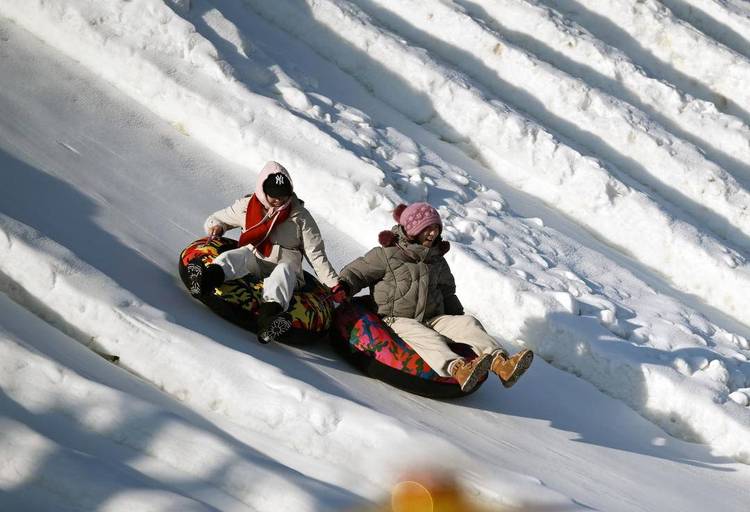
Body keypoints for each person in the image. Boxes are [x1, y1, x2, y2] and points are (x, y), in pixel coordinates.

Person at [335, 202, 533, 392]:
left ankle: (502, 364)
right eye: (427, 228)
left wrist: (457, 319)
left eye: (436, 228)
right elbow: (357, 272)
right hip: (396, 319)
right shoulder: (386, 255)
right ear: (412, 229)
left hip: (432, 317)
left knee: (469, 323)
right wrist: (344, 286)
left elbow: (447, 292)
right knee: (427, 337)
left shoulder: (436, 259)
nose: (433, 233)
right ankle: (458, 369)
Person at [186, 161, 346, 343]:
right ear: (263, 191)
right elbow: (217, 218)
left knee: (283, 272)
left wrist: (333, 284)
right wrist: (216, 227)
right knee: (238, 255)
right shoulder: (247, 206)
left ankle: (268, 321)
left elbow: (316, 254)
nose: (278, 200)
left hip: (287, 268)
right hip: (254, 260)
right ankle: (204, 282)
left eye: (283, 196)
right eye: (273, 196)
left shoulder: (301, 217)